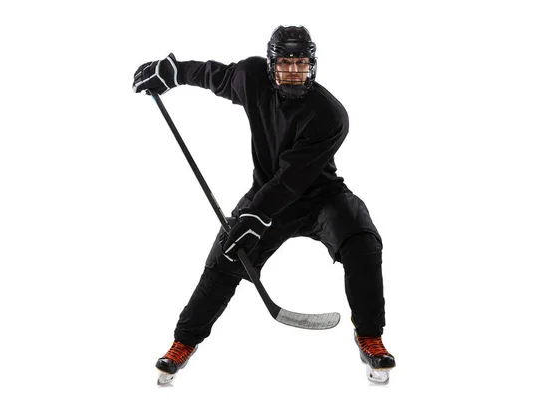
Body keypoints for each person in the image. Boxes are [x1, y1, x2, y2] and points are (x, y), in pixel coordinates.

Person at [132, 25, 396, 385]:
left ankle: (370, 336)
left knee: (363, 243)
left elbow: (293, 177)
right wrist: (174, 71)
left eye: (300, 64)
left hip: (321, 197)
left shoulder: (330, 115)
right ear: (271, 66)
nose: (292, 71)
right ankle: (183, 342)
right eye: (285, 64)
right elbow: (216, 76)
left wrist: (255, 216)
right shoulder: (251, 77)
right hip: (268, 195)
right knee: (225, 258)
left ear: (312, 66)